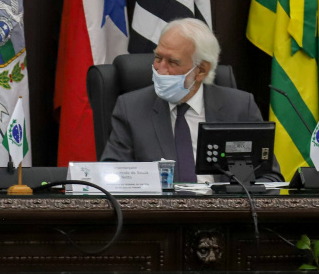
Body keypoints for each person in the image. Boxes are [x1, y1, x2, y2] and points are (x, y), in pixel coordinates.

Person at [101, 18, 283, 183]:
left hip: (223, 208)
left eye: (173, 62)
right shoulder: (131, 109)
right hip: (159, 208)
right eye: (158, 58)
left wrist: (238, 193)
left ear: (201, 70)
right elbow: (112, 177)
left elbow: (268, 177)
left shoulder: (239, 107)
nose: (160, 69)